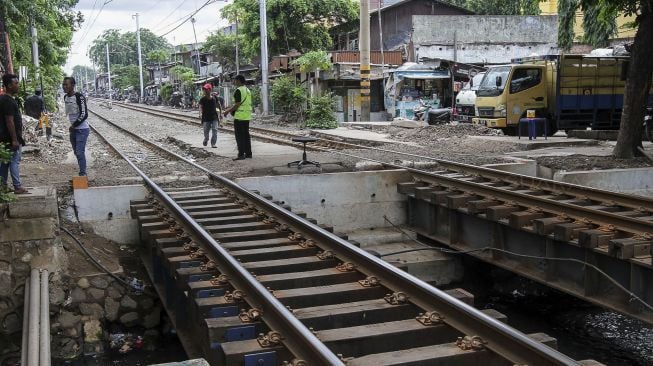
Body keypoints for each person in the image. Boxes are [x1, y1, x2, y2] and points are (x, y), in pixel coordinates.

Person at [0, 74, 28, 194]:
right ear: (9, 85)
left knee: (5, 162)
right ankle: (17, 186)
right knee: (14, 160)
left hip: (4, 136)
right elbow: (9, 121)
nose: (18, 85)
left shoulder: (4, 99)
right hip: (9, 137)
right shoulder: (8, 101)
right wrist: (15, 139)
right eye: (16, 83)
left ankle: (3, 186)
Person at [63, 77, 90, 176]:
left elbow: (84, 114)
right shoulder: (65, 97)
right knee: (77, 153)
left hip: (82, 130)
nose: (64, 86)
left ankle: (83, 174)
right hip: (73, 130)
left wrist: (74, 125)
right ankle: (82, 172)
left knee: (79, 152)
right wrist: (72, 127)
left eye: (67, 84)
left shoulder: (80, 97)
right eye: (63, 84)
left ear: (73, 85)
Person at [223, 75, 252, 160]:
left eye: (235, 80)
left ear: (239, 81)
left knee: (239, 136)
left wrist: (227, 111)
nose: (234, 82)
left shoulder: (238, 90)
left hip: (239, 117)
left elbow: (237, 104)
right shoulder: (247, 90)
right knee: (246, 135)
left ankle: (241, 154)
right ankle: (248, 153)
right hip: (247, 116)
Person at [198, 83, 219, 148]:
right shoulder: (202, 99)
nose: (205, 91)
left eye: (206, 89)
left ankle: (213, 143)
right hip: (206, 117)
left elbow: (219, 105)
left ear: (210, 90)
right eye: (204, 89)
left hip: (214, 117)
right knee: (206, 131)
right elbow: (200, 107)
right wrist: (200, 114)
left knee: (215, 130)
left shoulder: (215, 97)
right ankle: (206, 139)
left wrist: (220, 114)